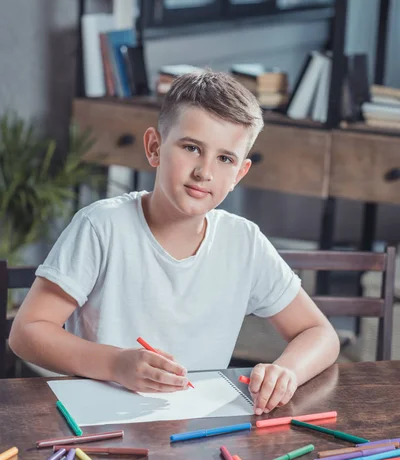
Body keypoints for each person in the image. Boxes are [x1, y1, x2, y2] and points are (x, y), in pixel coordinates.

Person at [9, 70, 339, 415]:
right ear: (154, 147)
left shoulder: (244, 243)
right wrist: (117, 364)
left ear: (240, 173)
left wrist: (287, 370)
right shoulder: (101, 227)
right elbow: (27, 332)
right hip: (99, 423)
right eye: (192, 148)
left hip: (199, 430)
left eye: (225, 158)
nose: (204, 172)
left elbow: (320, 333)